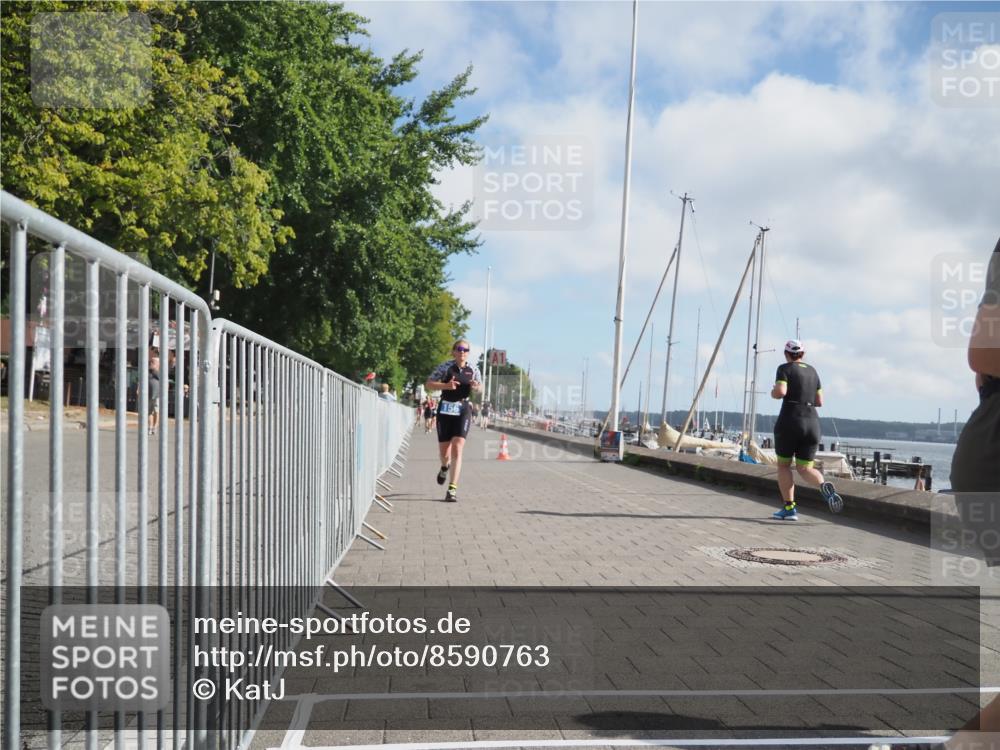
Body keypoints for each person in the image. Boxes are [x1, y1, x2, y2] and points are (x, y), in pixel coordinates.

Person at [769, 339, 843, 520]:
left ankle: (789, 508)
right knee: (805, 468)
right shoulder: (813, 372)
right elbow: (820, 402)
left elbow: (781, 391)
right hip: (812, 423)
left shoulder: (784, 369)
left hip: (790, 421)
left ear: (786, 354)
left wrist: (773, 392)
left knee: (784, 465)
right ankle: (823, 485)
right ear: (803, 354)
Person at [425, 340, 482, 502]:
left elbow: (480, 388)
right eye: (459, 349)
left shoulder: (473, 369)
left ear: (468, 353)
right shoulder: (445, 367)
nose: (463, 352)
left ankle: (452, 489)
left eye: (466, 350)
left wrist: (476, 386)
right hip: (445, 410)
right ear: (454, 351)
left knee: (458, 446)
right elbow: (428, 383)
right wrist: (446, 386)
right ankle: (444, 467)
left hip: (463, 409)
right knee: (445, 453)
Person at [148, 350, 161, 436]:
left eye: (153, 362)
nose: (151, 363)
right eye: (150, 362)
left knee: (157, 411)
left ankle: (155, 427)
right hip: (149, 393)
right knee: (149, 411)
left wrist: (155, 369)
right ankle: (150, 427)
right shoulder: (147, 371)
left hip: (158, 394)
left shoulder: (159, 373)